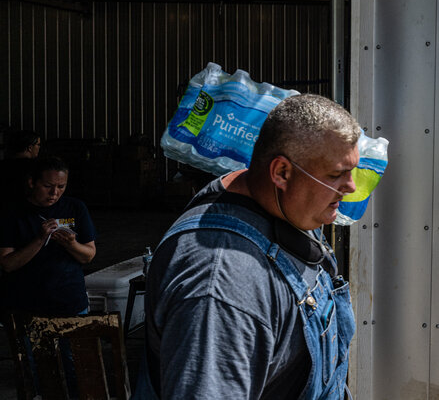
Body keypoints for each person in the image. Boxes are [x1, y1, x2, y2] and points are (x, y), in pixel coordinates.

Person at [135, 94, 360, 399]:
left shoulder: (283, 206)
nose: (351, 187)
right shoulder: (220, 285)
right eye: (335, 175)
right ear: (281, 172)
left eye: (352, 172)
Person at [0, 156, 96, 316]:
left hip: (71, 301)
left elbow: (88, 256)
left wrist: (71, 245)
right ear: (32, 183)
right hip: (26, 306)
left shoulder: (75, 208)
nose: (54, 193)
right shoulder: (12, 213)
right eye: (47, 186)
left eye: (61, 186)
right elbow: (7, 264)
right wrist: (39, 239)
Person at [1, 130, 41, 203]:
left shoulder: (3, 165)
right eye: (38, 144)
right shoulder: (38, 167)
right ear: (30, 148)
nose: (39, 147)